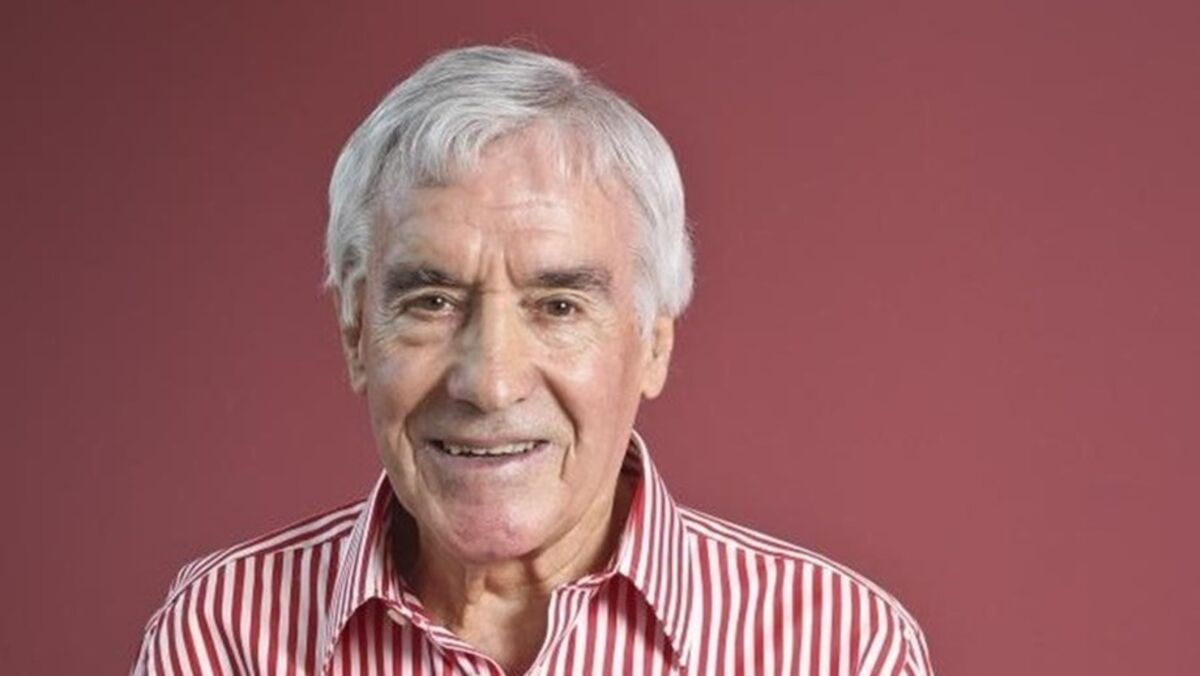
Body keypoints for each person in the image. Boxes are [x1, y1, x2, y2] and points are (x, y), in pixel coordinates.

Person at [132, 45, 933, 676]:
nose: (490, 381)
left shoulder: (840, 649)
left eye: (558, 307)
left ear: (654, 343)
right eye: (432, 301)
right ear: (354, 334)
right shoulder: (224, 635)